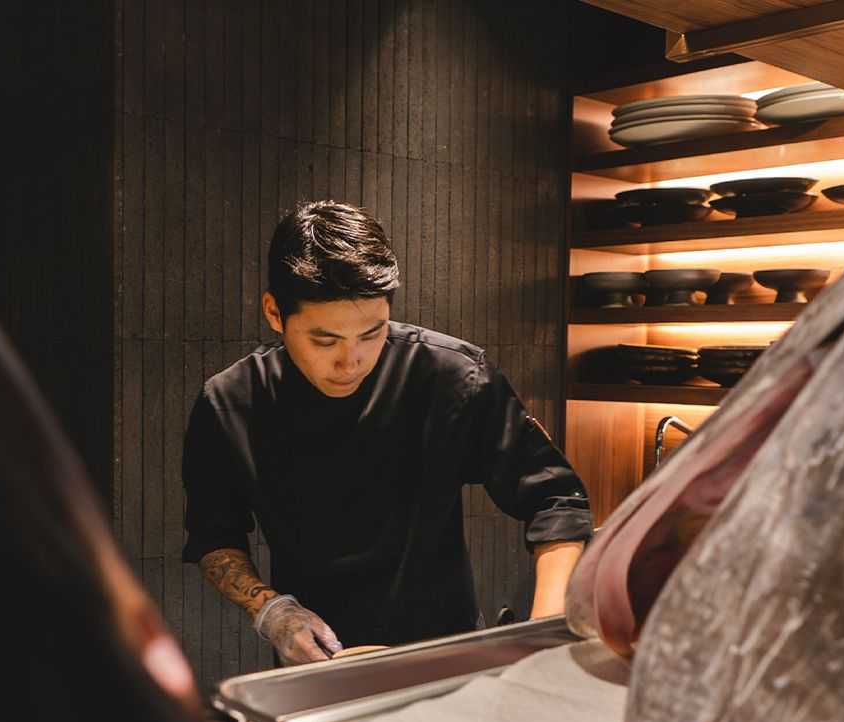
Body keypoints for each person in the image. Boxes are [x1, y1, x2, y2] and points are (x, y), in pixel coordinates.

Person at [181, 201, 592, 666]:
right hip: (316, 664)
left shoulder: (450, 376)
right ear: (275, 313)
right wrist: (272, 611)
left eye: (371, 333)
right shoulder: (231, 402)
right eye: (325, 340)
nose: (351, 360)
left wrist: (544, 636)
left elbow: (555, 499)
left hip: (445, 654)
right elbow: (214, 537)